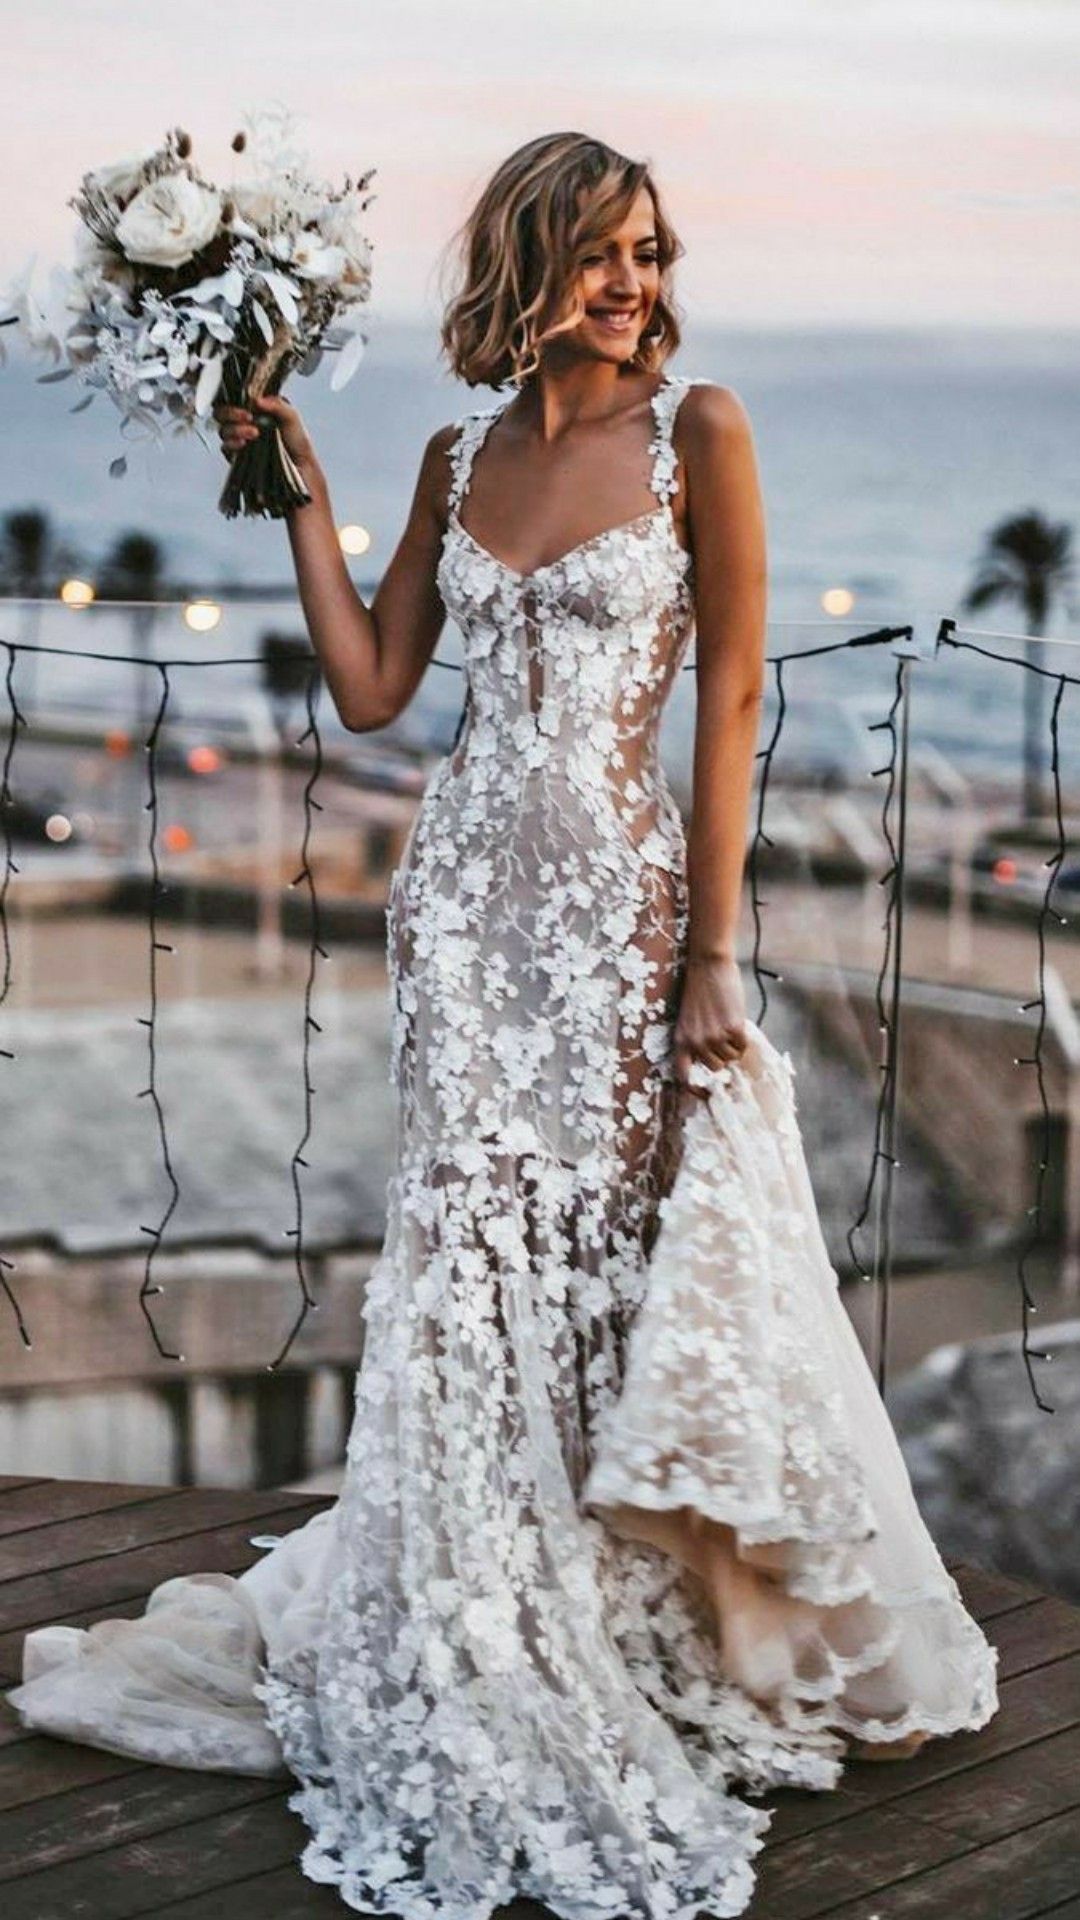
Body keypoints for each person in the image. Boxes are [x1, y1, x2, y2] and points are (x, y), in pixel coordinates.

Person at [7, 132, 998, 1919]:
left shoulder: (705, 430)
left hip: (616, 919)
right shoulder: (460, 450)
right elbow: (380, 691)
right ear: (528, 266)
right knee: (471, 1262)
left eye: (646, 249)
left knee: (606, 1253)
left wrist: (710, 949)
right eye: (598, 252)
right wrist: (299, 491)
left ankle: (621, 1597)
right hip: (462, 917)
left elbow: (738, 695)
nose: (630, 281)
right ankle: (475, 1584)